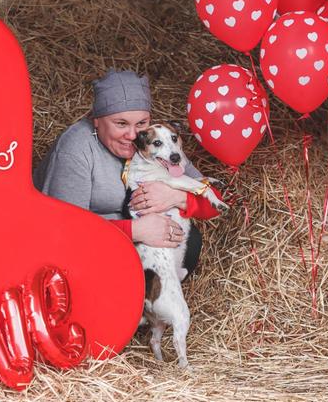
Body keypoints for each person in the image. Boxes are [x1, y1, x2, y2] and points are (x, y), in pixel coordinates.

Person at [33, 69, 221, 277]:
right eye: (121, 124)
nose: (132, 135)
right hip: (90, 245)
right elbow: (66, 231)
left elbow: (215, 203)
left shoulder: (155, 141)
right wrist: (135, 231)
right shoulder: (75, 150)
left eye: (141, 123)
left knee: (190, 240)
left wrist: (177, 197)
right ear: (96, 119)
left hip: (139, 236)